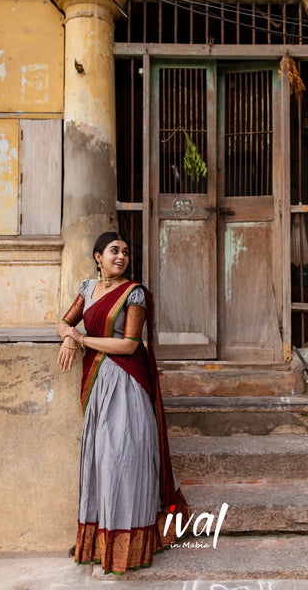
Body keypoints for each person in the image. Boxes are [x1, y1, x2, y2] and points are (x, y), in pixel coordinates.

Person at [57, 231, 191, 574]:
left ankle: (130, 546)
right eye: (114, 251)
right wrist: (69, 341)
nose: (121, 257)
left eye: (126, 253)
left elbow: (131, 345)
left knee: (124, 461)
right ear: (97, 256)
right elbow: (64, 323)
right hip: (98, 387)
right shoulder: (87, 290)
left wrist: (82, 338)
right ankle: (101, 544)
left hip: (127, 384)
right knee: (101, 462)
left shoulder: (134, 293)